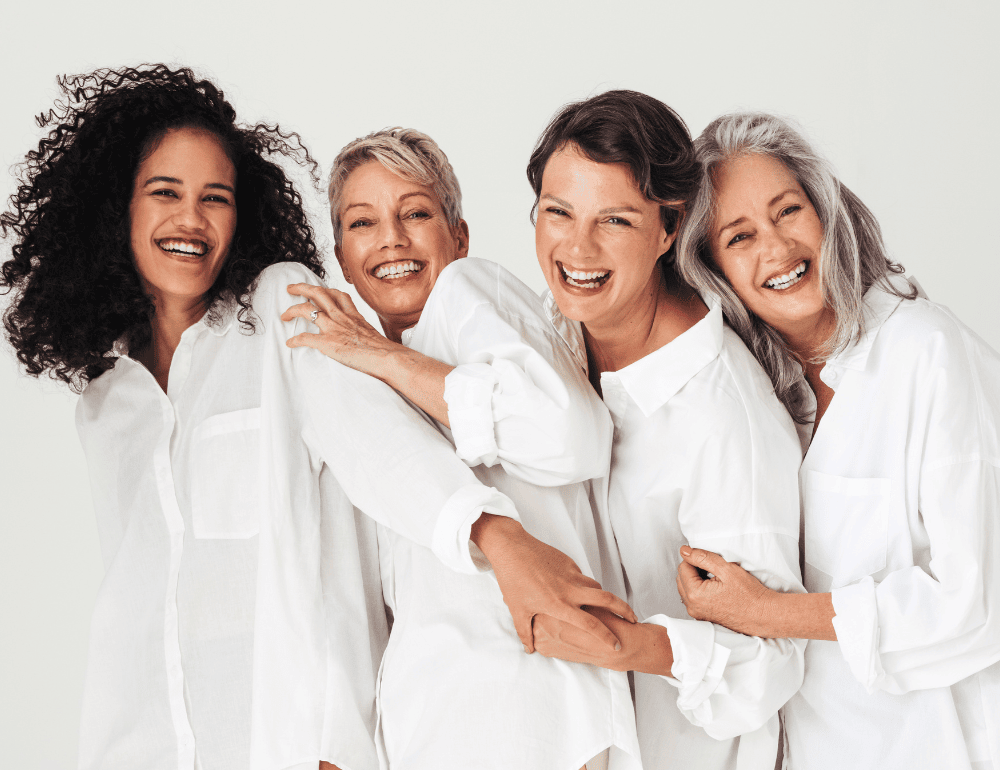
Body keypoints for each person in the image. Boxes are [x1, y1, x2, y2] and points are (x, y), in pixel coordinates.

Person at [0, 67, 604, 770]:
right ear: (117, 210)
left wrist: (499, 539)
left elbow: (383, 452)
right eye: (165, 193)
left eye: (215, 198)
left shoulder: (279, 310)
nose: (190, 220)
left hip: (293, 747)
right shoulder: (105, 403)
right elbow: (136, 607)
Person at [282, 127, 642, 770]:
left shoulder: (469, 292)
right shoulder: (362, 384)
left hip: (535, 708)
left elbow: (574, 437)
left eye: (415, 213)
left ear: (460, 236)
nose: (392, 238)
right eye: (363, 223)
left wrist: (381, 354)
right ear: (341, 256)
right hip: (432, 725)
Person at [674, 110, 1000, 770]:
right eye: (740, 237)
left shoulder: (926, 350)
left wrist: (772, 613)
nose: (777, 247)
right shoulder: (754, 402)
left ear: (826, 213)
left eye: (788, 210)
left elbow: (977, 601)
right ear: (715, 273)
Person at [523, 90, 806, 770]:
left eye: (614, 220)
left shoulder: (723, 418)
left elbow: (768, 664)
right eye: (558, 213)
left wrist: (625, 645)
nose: (577, 247)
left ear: (668, 227)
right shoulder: (553, 330)